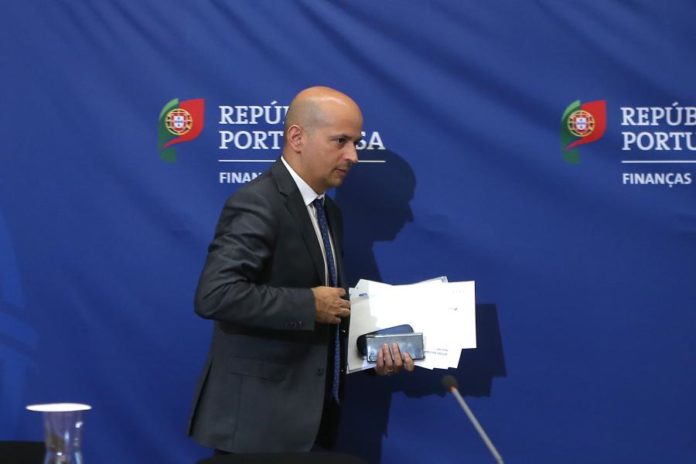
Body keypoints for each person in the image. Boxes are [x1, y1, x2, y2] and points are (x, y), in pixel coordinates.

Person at [187, 86, 414, 454]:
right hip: (258, 428)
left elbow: (331, 312)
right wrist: (309, 305)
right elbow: (215, 294)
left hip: (312, 422)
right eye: (340, 141)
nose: (353, 155)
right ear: (296, 138)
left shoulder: (329, 212)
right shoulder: (257, 202)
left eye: (355, 143)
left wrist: (374, 356)